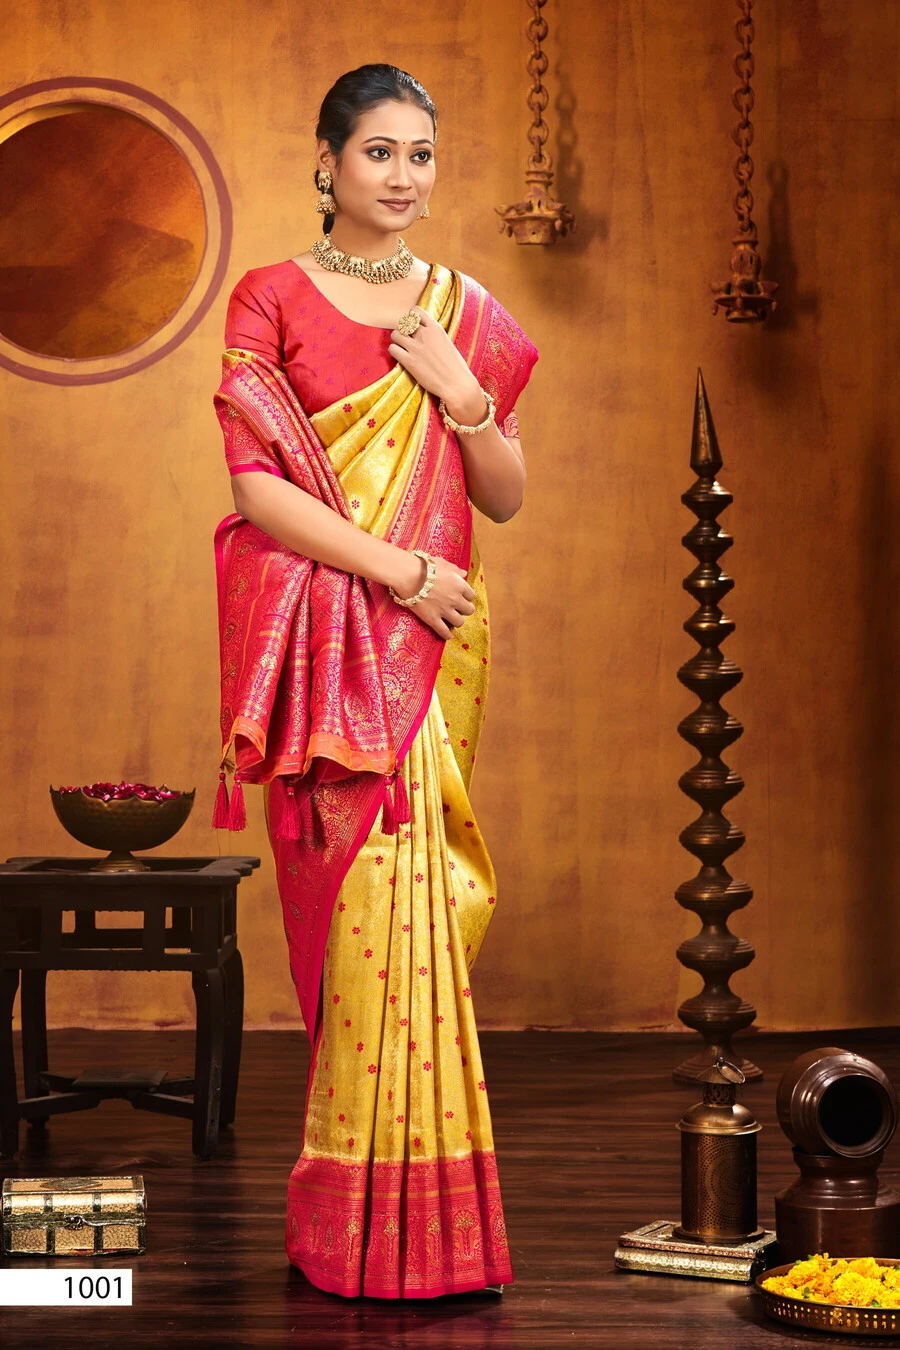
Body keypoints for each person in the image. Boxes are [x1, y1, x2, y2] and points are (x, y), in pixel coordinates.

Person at [212, 63, 539, 1299]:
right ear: (328, 160)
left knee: (422, 924)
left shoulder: (463, 308)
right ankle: (349, 1226)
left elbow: (503, 497)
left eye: (421, 154)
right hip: (331, 653)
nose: (403, 176)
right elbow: (257, 490)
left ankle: (442, 1237)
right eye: (379, 152)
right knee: (356, 930)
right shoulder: (270, 296)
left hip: (436, 653)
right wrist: (401, 571)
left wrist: (466, 398)